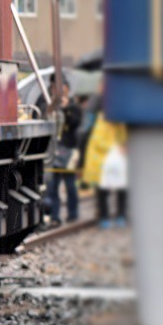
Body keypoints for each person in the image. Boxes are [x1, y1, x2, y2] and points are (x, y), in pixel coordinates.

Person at [83, 111, 128, 227]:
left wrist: (123, 147)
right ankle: (105, 217)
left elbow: (124, 138)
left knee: (121, 189)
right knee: (103, 191)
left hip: (116, 162)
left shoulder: (120, 123)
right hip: (102, 163)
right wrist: (117, 148)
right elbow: (99, 142)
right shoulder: (101, 121)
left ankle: (120, 215)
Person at [45, 88, 83, 224]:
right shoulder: (50, 109)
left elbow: (75, 123)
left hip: (69, 150)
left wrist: (64, 109)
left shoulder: (74, 109)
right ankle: (54, 216)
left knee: (70, 185)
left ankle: (73, 214)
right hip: (54, 150)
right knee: (52, 187)